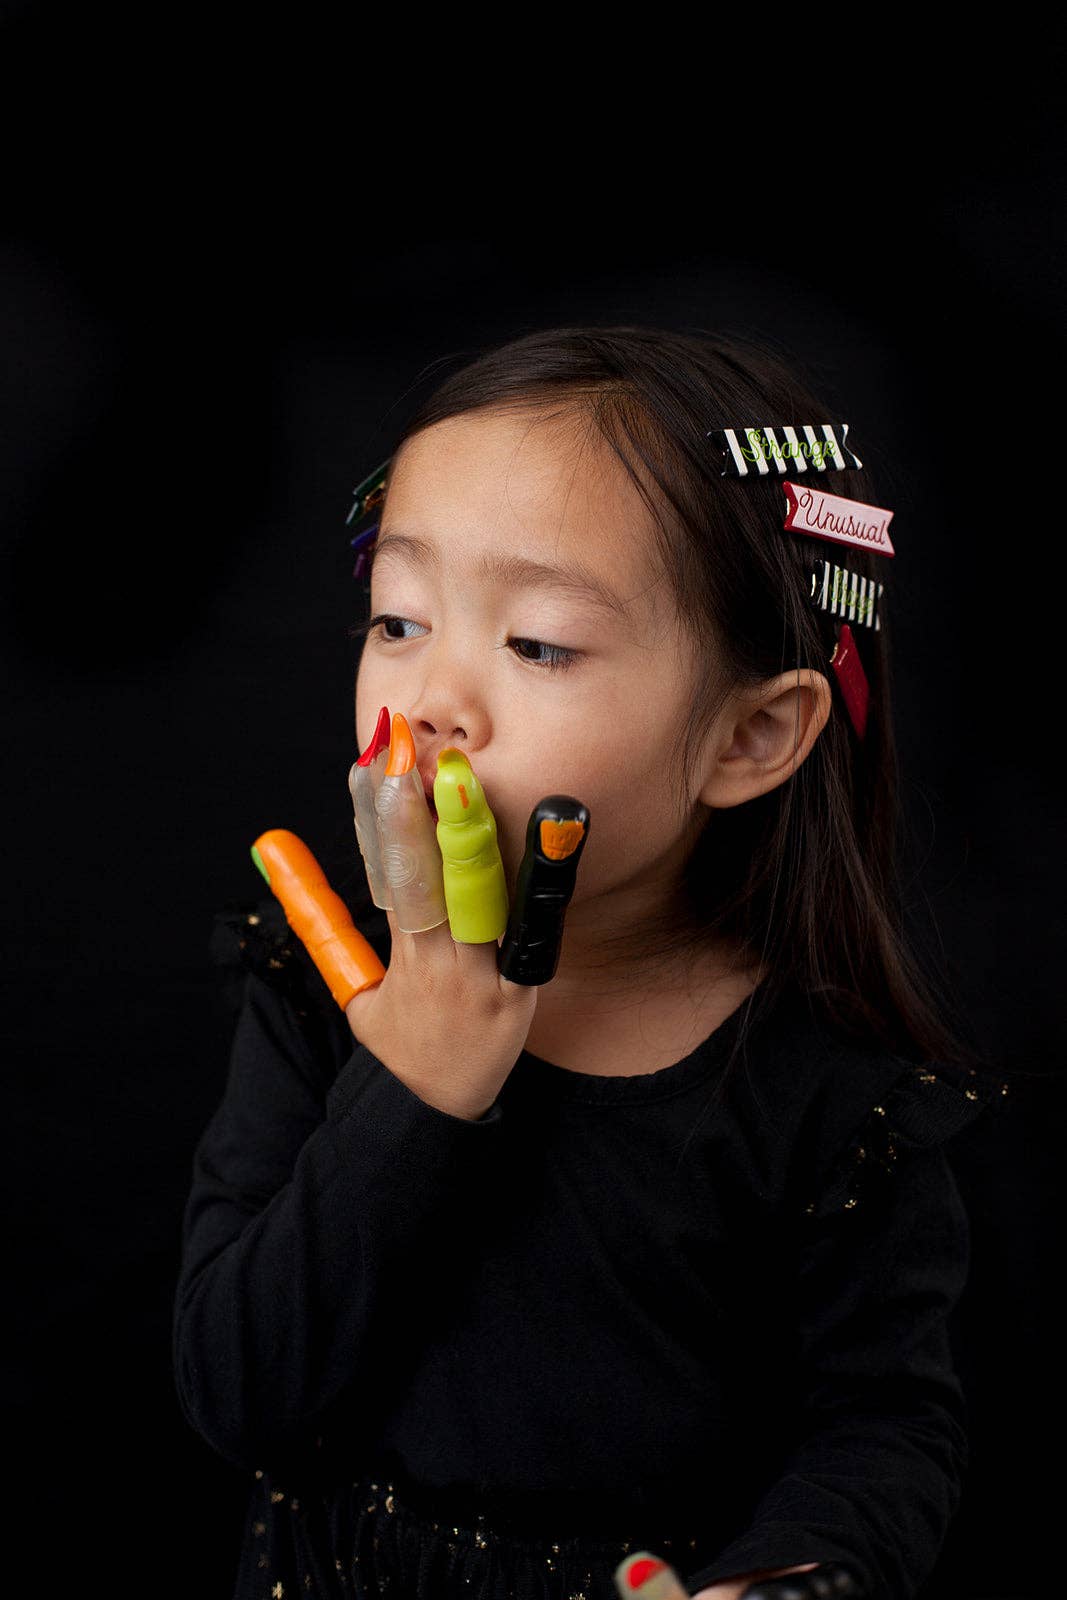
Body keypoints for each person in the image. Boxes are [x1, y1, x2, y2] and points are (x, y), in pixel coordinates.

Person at [173, 326, 1010, 1600]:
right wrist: (409, 1087)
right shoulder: (312, 985)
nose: (436, 699)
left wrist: (781, 1578)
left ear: (750, 735)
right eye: (397, 619)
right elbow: (238, 1391)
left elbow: (880, 1433)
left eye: (540, 644)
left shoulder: (834, 1096)